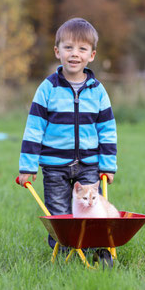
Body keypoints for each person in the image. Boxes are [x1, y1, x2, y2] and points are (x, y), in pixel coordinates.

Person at [18, 17, 117, 248]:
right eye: (68, 47)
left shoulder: (98, 91)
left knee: (91, 209)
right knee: (59, 213)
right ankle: (63, 252)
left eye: (82, 49)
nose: (75, 54)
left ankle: (94, 248)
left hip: (89, 163)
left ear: (91, 55)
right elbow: (34, 129)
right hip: (54, 165)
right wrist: (27, 165)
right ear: (57, 51)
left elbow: (108, 131)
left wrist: (108, 165)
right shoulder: (47, 88)